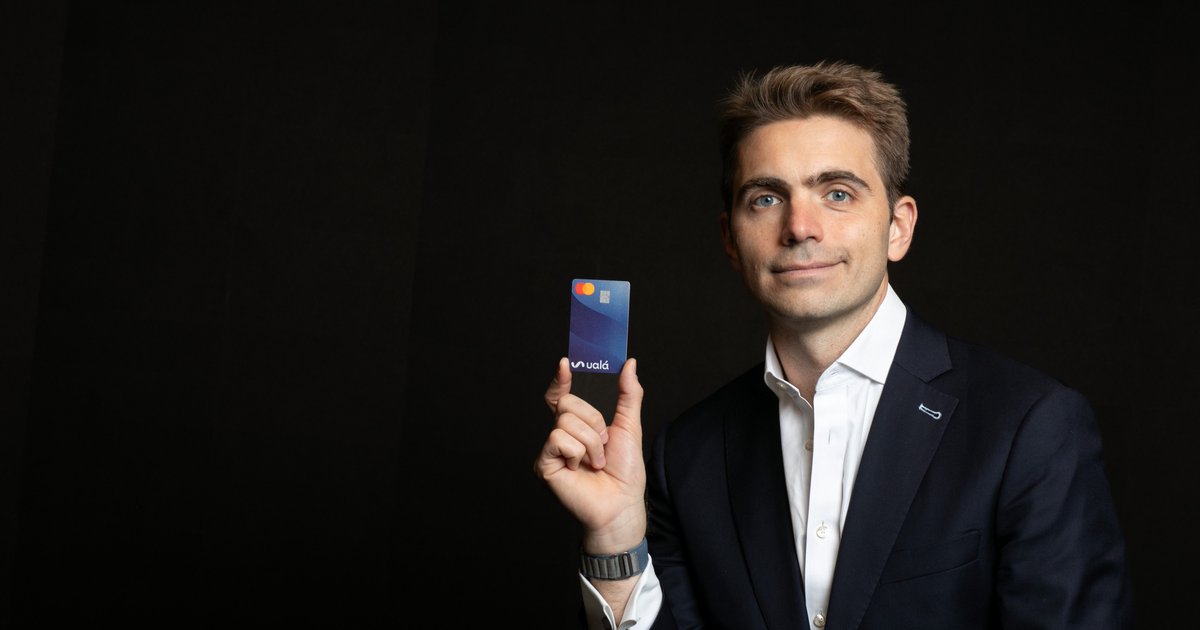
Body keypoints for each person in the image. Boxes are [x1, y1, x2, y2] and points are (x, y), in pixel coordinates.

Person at [534, 60, 1134, 629]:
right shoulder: (686, 457)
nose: (800, 227)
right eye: (766, 198)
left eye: (838, 193)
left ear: (898, 226)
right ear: (730, 240)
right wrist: (613, 540)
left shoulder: (1028, 427)